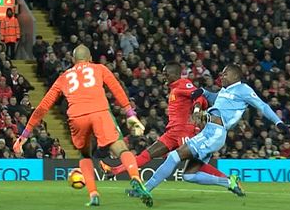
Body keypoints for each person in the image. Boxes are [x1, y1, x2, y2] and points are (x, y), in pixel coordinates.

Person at [13, 45, 152, 207]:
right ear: (90, 58)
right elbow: (117, 89)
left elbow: (43, 107)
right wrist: (130, 114)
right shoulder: (99, 68)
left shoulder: (64, 77)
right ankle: (135, 177)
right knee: (121, 149)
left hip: (77, 116)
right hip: (100, 112)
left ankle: (93, 194)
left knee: (85, 156)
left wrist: (24, 135)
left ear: (73, 60)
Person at [140, 64, 288, 197]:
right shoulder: (225, 91)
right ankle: (228, 182)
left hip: (215, 132)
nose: (221, 76)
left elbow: (262, 106)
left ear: (235, 76)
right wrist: (203, 91)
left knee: (173, 156)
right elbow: (214, 98)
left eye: (225, 74)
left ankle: (145, 189)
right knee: (189, 176)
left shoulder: (244, 89)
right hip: (208, 131)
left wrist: (278, 122)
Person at [99, 63, 237, 195]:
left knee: (194, 165)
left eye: (166, 73)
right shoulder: (174, 88)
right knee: (146, 155)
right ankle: (116, 171)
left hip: (185, 131)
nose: (163, 76)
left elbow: (198, 95)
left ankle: (228, 180)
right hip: (171, 132)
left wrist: (196, 109)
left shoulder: (183, 84)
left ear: (175, 74)